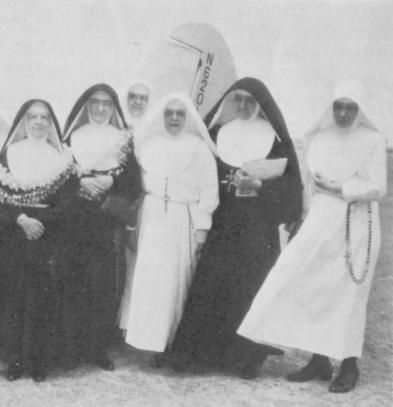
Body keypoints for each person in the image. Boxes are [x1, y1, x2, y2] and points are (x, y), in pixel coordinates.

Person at [237, 82, 386, 393]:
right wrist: (300, 217)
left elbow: (377, 187)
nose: (343, 113)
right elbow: (307, 185)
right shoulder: (318, 138)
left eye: (350, 107)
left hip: (355, 224)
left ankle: (348, 364)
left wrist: (337, 188)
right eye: (338, 106)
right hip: (319, 220)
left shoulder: (372, 140)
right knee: (304, 284)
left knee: (348, 295)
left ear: (361, 110)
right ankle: (318, 359)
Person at [169, 77, 303, 379]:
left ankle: (244, 359)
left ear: (261, 105)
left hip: (258, 228)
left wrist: (260, 187)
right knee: (212, 285)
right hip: (223, 224)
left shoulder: (277, 141)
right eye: (237, 99)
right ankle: (200, 354)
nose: (243, 106)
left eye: (249, 101)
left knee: (248, 289)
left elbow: (292, 191)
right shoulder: (217, 133)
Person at [0, 99, 77, 382]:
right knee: (13, 298)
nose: (38, 122)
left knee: (43, 299)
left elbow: (69, 204)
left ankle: (39, 362)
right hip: (14, 234)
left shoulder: (62, 158)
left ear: (51, 123)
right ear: (23, 121)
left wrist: (40, 223)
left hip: (48, 236)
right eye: (32, 117)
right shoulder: (7, 154)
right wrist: (21, 220)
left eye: (44, 117)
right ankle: (14, 360)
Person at [120, 93, 219, 361]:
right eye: (168, 113)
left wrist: (202, 228)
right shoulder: (148, 144)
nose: (173, 118)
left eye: (179, 113)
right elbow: (136, 188)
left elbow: (209, 191)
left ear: (188, 117)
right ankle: (150, 342)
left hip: (181, 220)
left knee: (176, 283)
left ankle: (173, 343)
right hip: (151, 220)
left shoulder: (198, 148)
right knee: (151, 282)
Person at [63, 83, 141, 371]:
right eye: (94, 102)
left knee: (102, 284)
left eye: (106, 104)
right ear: (85, 105)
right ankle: (71, 346)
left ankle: (97, 348)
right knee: (72, 280)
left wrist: (111, 182)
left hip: (105, 221)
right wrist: (79, 183)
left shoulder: (123, 139)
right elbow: (56, 175)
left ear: (113, 108)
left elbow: (134, 183)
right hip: (74, 219)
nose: (99, 109)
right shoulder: (71, 136)